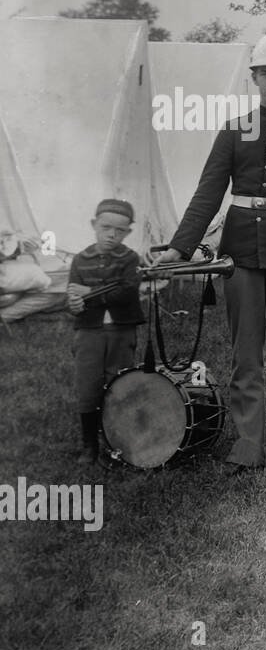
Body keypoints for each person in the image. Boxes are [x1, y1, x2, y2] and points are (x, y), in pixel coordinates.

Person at [154, 30, 266, 477]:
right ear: (254, 78)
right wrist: (180, 246)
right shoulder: (234, 130)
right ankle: (248, 443)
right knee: (245, 355)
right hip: (239, 258)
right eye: (264, 74)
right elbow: (208, 193)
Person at [66, 199, 143, 466]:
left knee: (118, 385)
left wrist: (90, 295)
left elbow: (126, 291)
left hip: (121, 332)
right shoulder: (81, 260)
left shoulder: (131, 259)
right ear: (94, 225)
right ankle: (90, 446)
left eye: (119, 231)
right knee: (87, 386)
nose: (112, 235)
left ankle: (117, 444)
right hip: (89, 332)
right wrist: (75, 304)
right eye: (106, 227)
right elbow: (74, 297)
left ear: (128, 233)